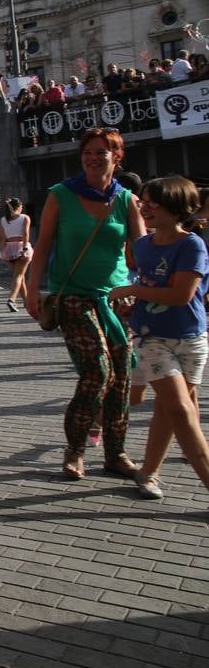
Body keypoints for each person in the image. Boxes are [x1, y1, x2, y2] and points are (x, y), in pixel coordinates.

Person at [25, 128, 145, 481]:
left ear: (116, 157)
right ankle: (75, 450)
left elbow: (142, 250)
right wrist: (33, 289)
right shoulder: (61, 195)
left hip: (117, 299)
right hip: (73, 295)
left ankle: (115, 453)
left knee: (122, 378)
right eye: (87, 152)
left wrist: (144, 290)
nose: (93, 158)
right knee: (98, 372)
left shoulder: (127, 200)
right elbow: (43, 244)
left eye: (101, 152)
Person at [108, 177, 209, 502]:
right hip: (151, 338)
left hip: (190, 337)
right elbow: (143, 285)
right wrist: (128, 304)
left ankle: (148, 472)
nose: (145, 207)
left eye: (153, 202)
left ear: (176, 207)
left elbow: (181, 295)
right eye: (144, 201)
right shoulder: (141, 245)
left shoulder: (192, 244)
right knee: (181, 410)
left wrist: (134, 291)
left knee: (170, 410)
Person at [0, 197, 33, 312]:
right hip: (20, 246)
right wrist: (24, 248)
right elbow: (26, 233)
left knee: (19, 276)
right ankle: (12, 299)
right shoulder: (24, 217)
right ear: (18, 207)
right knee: (18, 276)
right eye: (21, 205)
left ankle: (27, 301)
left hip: (8, 247)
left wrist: (3, 252)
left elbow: (2, 238)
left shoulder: (3, 220)